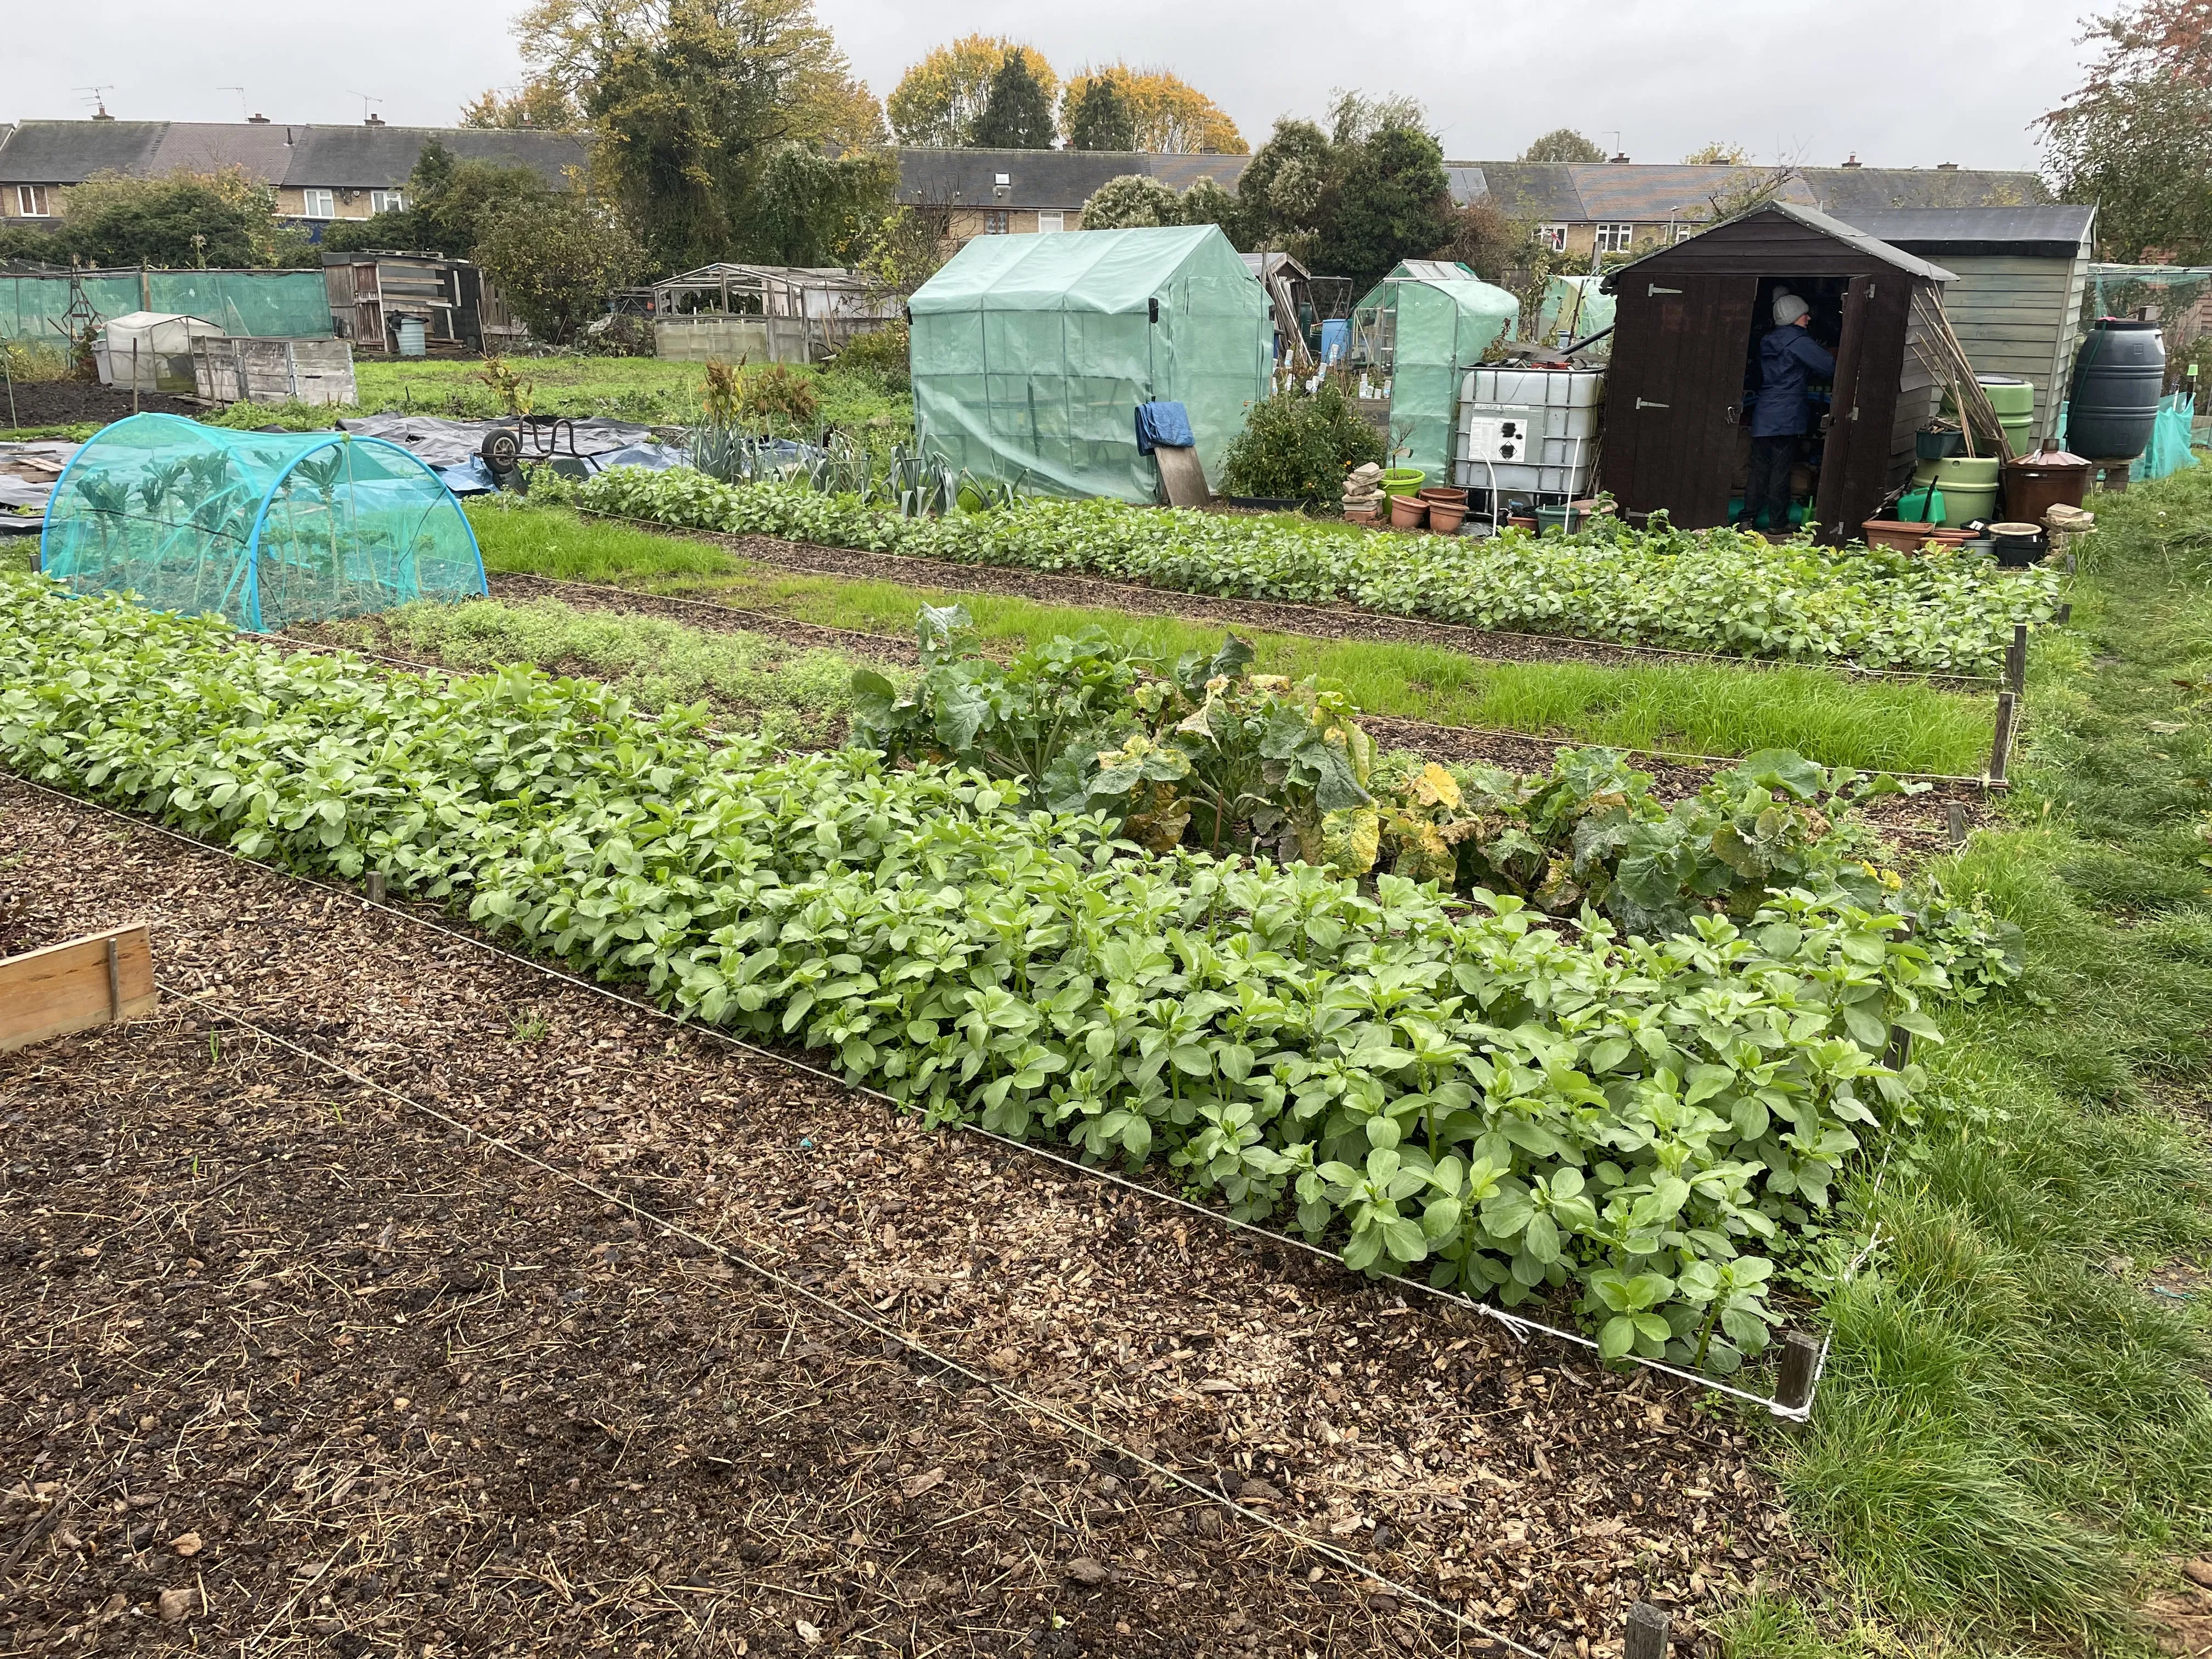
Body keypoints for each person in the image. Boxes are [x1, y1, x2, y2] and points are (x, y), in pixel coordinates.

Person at [1739, 292, 1836, 533]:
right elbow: (1829, 367)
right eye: (1805, 315)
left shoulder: (1767, 340)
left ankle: (1746, 520)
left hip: (1765, 411)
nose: (1809, 319)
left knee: (1759, 469)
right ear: (1795, 317)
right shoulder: (1799, 341)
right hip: (1787, 413)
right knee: (1781, 470)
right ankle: (1777, 523)